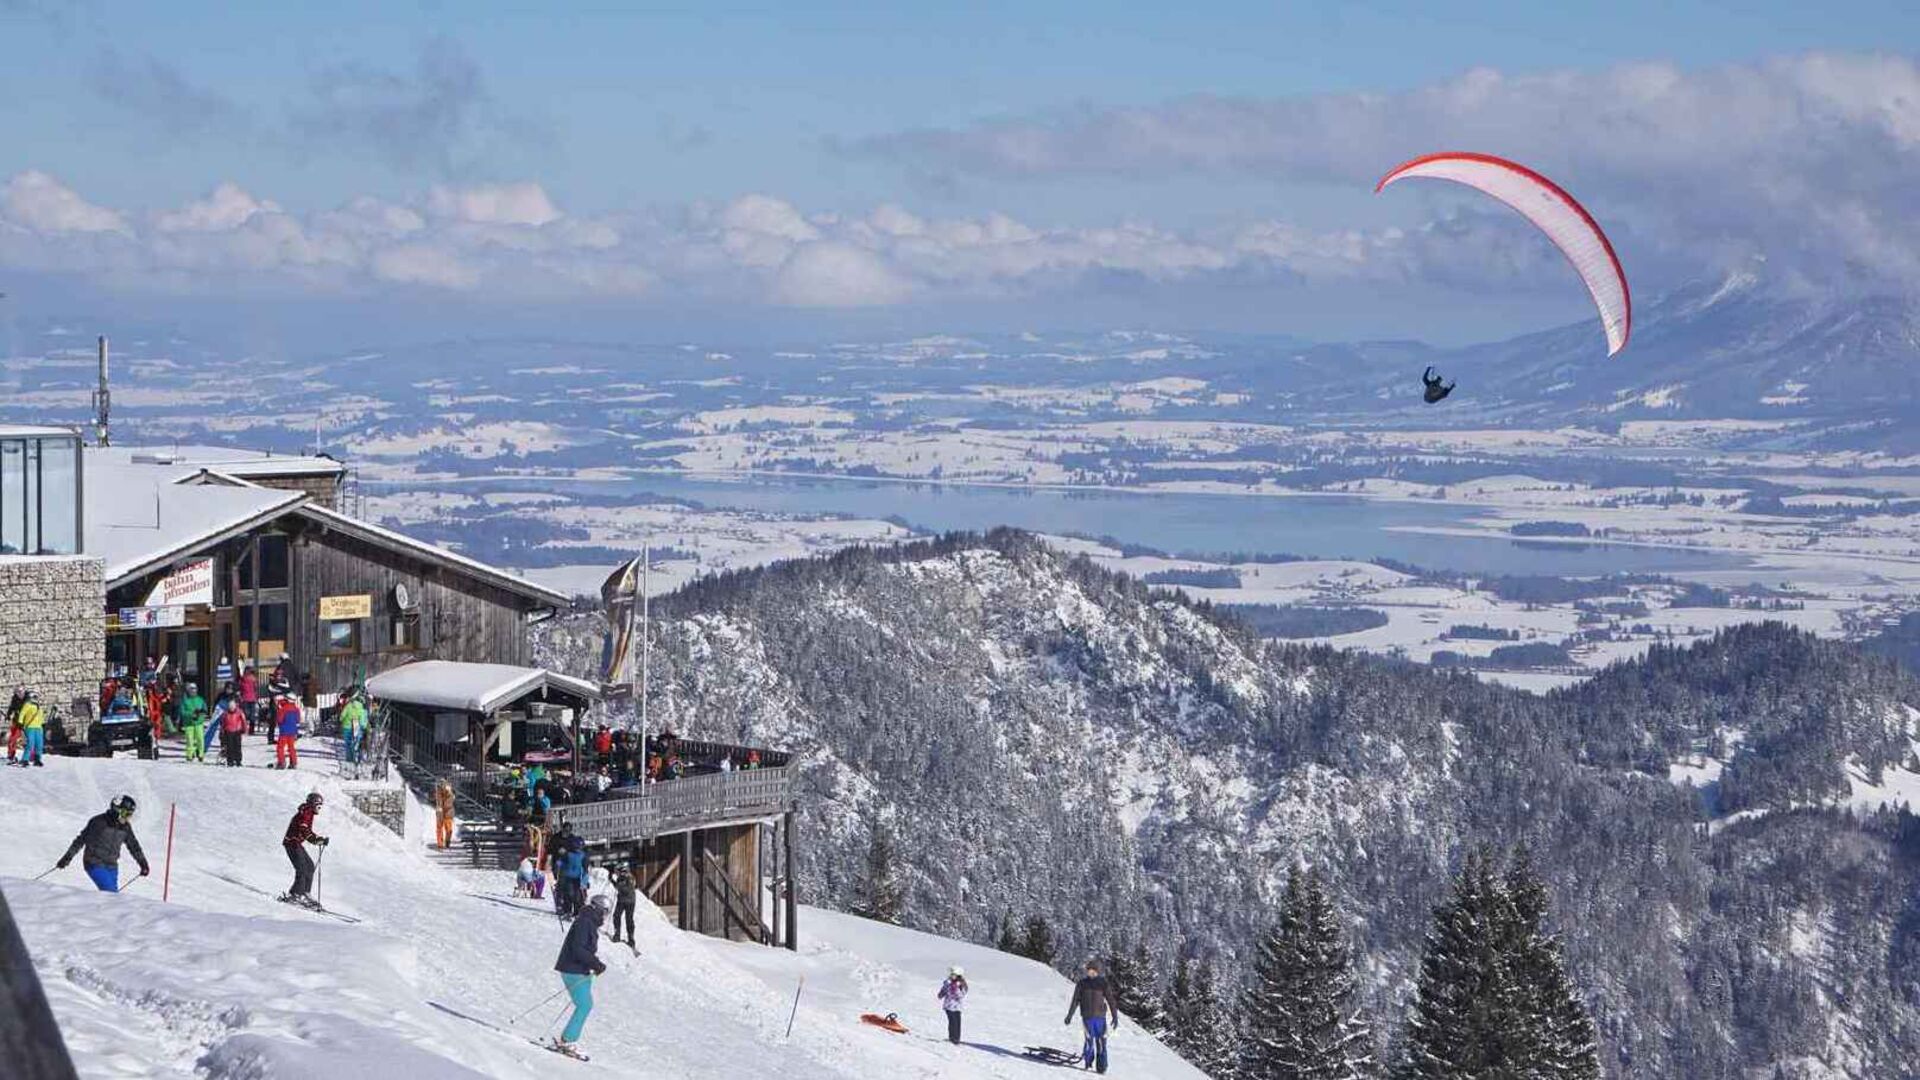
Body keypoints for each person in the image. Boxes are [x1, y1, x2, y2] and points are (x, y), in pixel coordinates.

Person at [551, 893, 609, 1058]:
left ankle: (567, 1039)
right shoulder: (585, 922)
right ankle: (567, 1040)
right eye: (604, 911)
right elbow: (578, 949)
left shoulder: (588, 921)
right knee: (585, 1005)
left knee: (584, 1004)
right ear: (598, 909)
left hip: (577, 968)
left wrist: (593, 965)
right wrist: (596, 964)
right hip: (572, 968)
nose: (605, 916)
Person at [57, 796, 151, 891]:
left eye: (129, 815)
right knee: (111, 894)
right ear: (116, 809)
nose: (127, 818)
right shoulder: (99, 822)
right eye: (125, 813)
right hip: (94, 863)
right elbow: (80, 840)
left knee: (112, 898)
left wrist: (143, 863)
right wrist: (67, 858)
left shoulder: (125, 827)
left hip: (112, 866)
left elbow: (134, 846)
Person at [1065, 960, 1119, 1074]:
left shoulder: (1103, 983)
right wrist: (1069, 1015)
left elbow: (1111, 1000)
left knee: (1101, 1043)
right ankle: (1088, 1062)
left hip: (1100, 1019)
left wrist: (1115, 1016)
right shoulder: (1082, 984)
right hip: (1087, 1018)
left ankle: (1101, 1067)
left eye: (1094, 971)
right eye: (1089, 971)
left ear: (1098, 972)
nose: (1091, 973)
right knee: (1089, 1042)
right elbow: (1075, 1001)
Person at [281, 792, 329, 907]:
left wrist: (319, 840)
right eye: (318, 806)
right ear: (313, 804)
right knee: (302, 869)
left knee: (310, 866)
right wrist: (317, 840)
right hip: (292, 843)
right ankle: (296, 895)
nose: (319, 808)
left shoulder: (308, 813)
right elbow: (305, 832)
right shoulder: (305, 814)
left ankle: (305, 893)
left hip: (296, 843)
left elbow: (307, 832)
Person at [178, 682, 209, 763]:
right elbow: (182, 712)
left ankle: (200, 754)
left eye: (194, 689)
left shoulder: (200, 699)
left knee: (200, 739)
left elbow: (205, 709)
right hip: (189, 724)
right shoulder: (185, 701)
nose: (193, 691)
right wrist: (191, 714)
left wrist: (201, 714)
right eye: (191, 690)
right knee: (189, 740)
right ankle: (190, 755)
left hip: (199, 723)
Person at [937, 966, 968, 1045]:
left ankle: (956, 1039)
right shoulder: (948, 982)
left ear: (958, 975)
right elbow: (943, 991)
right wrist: (941, 994)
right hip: (948, 1006)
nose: (951, 976)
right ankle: (952, 1038)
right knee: (952, 1022)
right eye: (951, 974)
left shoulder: (961, 984)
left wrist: (956, 989)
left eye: (953, 974)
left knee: (957, 1022)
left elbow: (961, 995)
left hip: (957, 1007)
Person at [607, 865, 638, 946]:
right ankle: (620, 935)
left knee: (626, 918)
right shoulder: (622, 877)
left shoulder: (628, 877)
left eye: (618, 872)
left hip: (627, 901)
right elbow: (618, 886)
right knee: (620, 917)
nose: (617, 873)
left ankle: (629, 938)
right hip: (625, 901)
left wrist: (618, 884)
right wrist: (612, 880)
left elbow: (626, 889)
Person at [17, 690, 46, 767]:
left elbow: (40, 715)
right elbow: (22, 714)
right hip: (30, 727)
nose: (36, 698)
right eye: (34, 696)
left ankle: (37, 759)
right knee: (30, 743)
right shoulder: (27, 704)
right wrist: (20, 722)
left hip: (38, 727)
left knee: (39, 744)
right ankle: (25, 759)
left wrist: (43, 723)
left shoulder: (38, 705)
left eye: (36, 696)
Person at [274, 693, 302, 769]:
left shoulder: (283, 708)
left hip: (284, 731)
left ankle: (281, 762)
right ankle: (293, 762)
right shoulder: (296, 709)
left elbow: (279, 720)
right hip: (293, 731)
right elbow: (298, 720)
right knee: (291, 747)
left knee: (280, 747)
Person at [433, 779, 457, 850]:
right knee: (439, 828)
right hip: (440, 812)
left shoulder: (450, 793)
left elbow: (450, 801)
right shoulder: (438, 792)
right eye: (440, 785)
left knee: (449, 829)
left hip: (448, 813)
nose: (442, 787)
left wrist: (448, 793)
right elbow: (438, 801)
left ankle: (447, 841)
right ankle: (440, 844)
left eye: (443, 785)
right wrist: (439, 807)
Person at [238, 665, 260, 735]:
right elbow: (256, 689)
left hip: (245, 698)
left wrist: (240, 697)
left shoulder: (242, 679)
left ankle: (244, 728)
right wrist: (256, 696)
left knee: (245, 715)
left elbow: (240, 688)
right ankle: (251, 730)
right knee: (252, 715)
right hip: (252, 698)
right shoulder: (254, 679)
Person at [5, 685, 24, 764]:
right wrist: (8, 715)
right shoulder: (15, 699)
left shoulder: (26, 700)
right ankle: (10, 754)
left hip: (23, 722)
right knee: (12, 738)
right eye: (18, 692)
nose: (20, 694)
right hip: (15, 721)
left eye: (21, 692)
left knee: (15, 739)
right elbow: (11, 708)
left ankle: (31, 755)